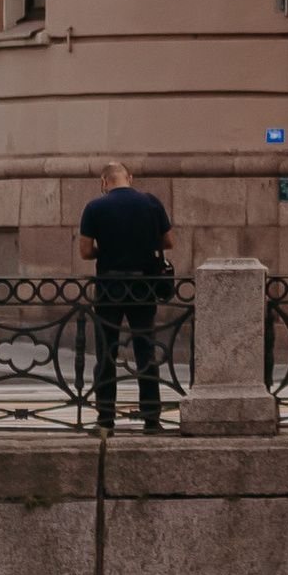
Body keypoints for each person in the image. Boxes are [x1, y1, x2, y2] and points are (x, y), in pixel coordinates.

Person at [77, 156, 174, 434]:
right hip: (144, 286)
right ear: (129, 178)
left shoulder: (95, 207)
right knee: (146, 351)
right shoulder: (151, 202)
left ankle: (105, 420)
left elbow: (85, 251)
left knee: (106, 353)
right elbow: (169, 241)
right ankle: (152, 419)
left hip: (109, 288)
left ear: (104, 183)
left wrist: (106, 251)